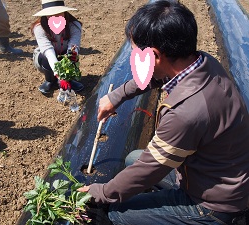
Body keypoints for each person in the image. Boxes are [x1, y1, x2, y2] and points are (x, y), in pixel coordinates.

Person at [78, 1, 249, 224]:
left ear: (155, 56)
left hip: (213, 204)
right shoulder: (201, 63)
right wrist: (116, 96)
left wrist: (99, 192)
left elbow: (150, 169)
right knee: (132, 158)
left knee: (112, 213)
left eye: (137, 54)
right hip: (216, 174)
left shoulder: (186, 112)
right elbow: (155, 77)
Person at [31, 0, 84, 94]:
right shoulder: (39, 28)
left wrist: (72, 54)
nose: (55, 17)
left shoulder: (74, 25)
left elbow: (73, 45)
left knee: (72, 55)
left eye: (59, 13)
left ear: (64, 11)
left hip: (64, 54)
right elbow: (48, 51)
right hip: (46, 57)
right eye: (50, 14)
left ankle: (70, 79)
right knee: (46, 56)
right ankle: (50, 80)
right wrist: (59, 73)